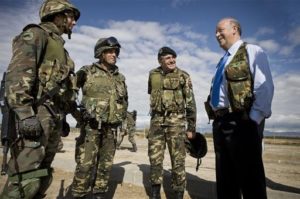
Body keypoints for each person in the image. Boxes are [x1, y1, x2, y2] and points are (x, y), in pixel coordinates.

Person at [0, 0, 80, 198]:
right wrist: (26, 114)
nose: (74, 23)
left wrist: (67, 116)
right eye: (71, 16)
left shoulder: (63, 51)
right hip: (36, 115)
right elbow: (17, 76)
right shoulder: (36, 35)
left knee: (42, 174)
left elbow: (64, 89)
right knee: (25, 178)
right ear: (57, 15)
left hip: (53, 116)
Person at [206, 17, 274, 199]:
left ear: (234, 29)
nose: (216, 34)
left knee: (250, 181)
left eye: (220, 30)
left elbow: (264, 87)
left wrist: (252, 121)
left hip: (242, 122)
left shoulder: (252, 51)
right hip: (221, 123)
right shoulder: (222, 61)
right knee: (226, 181)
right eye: (215, 32)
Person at [71, 36, 128, 199]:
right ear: (100, 53)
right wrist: (80, 116)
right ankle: (79, 194)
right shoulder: (87, 71)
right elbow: (69, 93)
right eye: (109, 51)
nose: (113, 54)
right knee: (85, 165)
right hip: (91, 129)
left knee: (105, 166)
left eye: (115, 52)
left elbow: (124, 102)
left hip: (111, 130)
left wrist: (122, 124)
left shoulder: (120, 78)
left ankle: (99, 194)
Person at [147, 47, 197, 199]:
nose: (172, 60)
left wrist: (191, 127)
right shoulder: (152, 74)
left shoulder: (183, 76)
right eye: (168, 58)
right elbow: (152, 94)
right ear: (160, 60)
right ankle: (155, 193)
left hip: (176, 123)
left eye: (174, 57)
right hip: (156, 122)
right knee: (155, 158)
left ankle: (178, 193)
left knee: (178, 160)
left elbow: (191, 103)